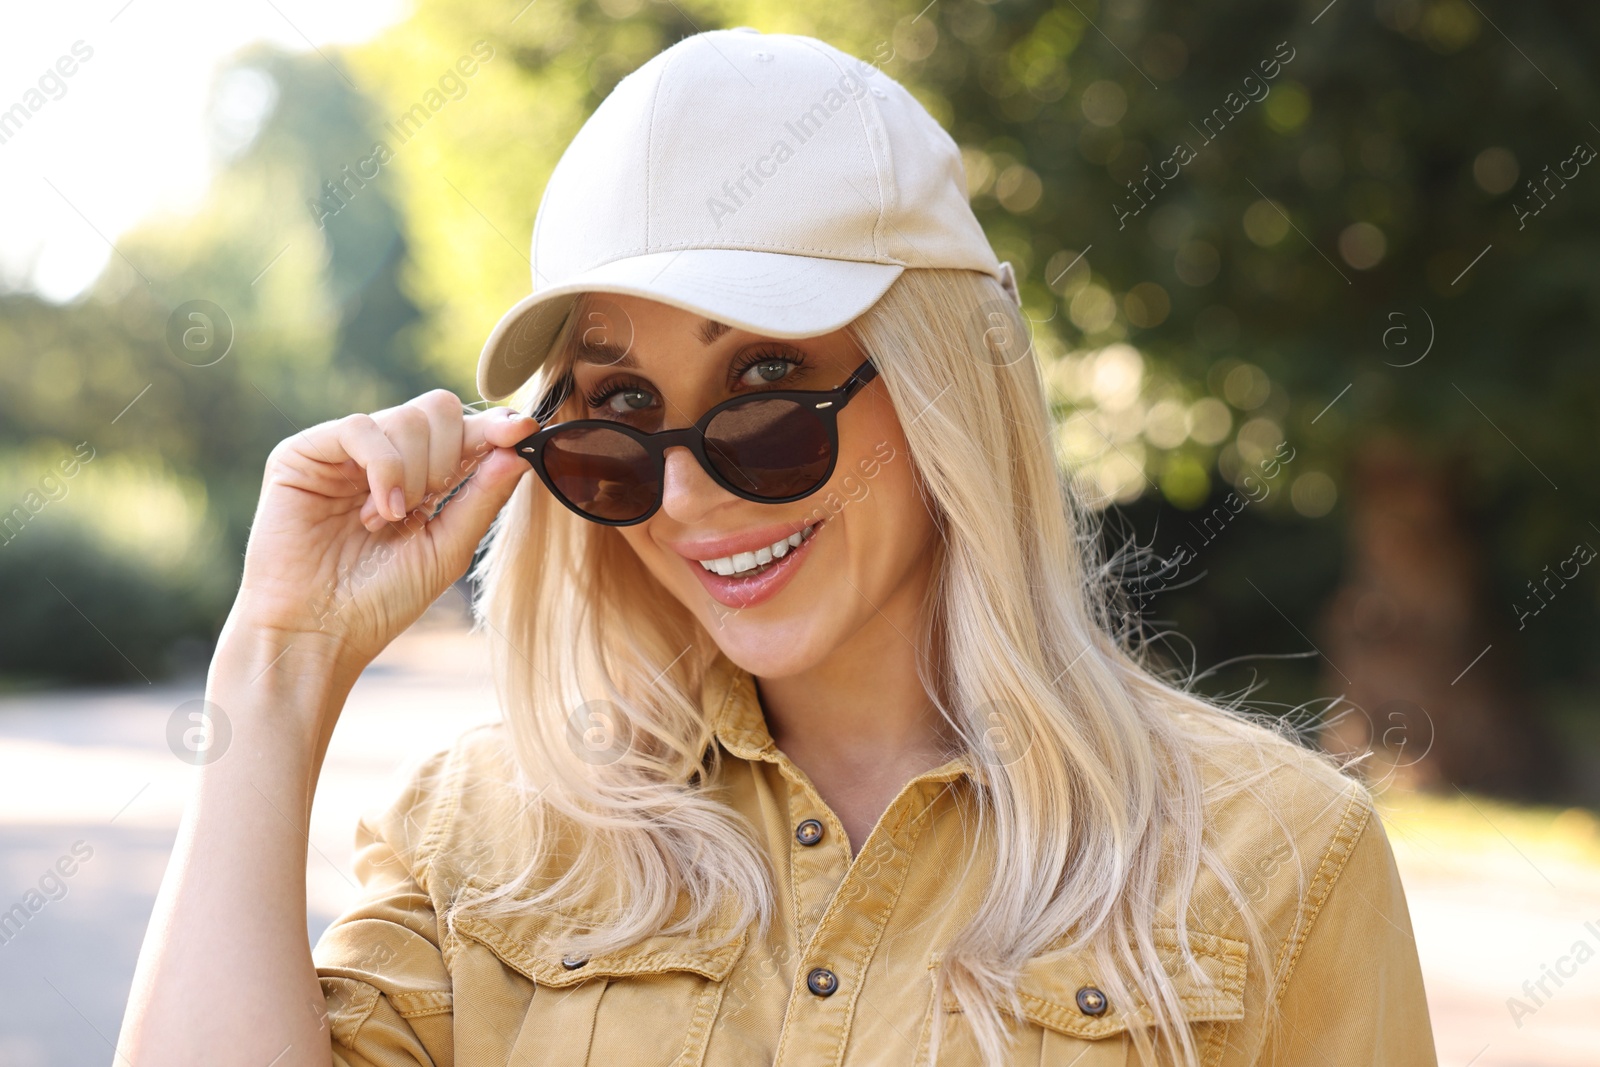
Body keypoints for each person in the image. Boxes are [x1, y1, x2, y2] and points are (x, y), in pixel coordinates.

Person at [117, 27, 1437, 1067]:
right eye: (619, 415)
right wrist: (277, 671)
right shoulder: (484, 837)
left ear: (941, 390)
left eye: (764, 398)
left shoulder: (1279, 858)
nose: (688, 501)